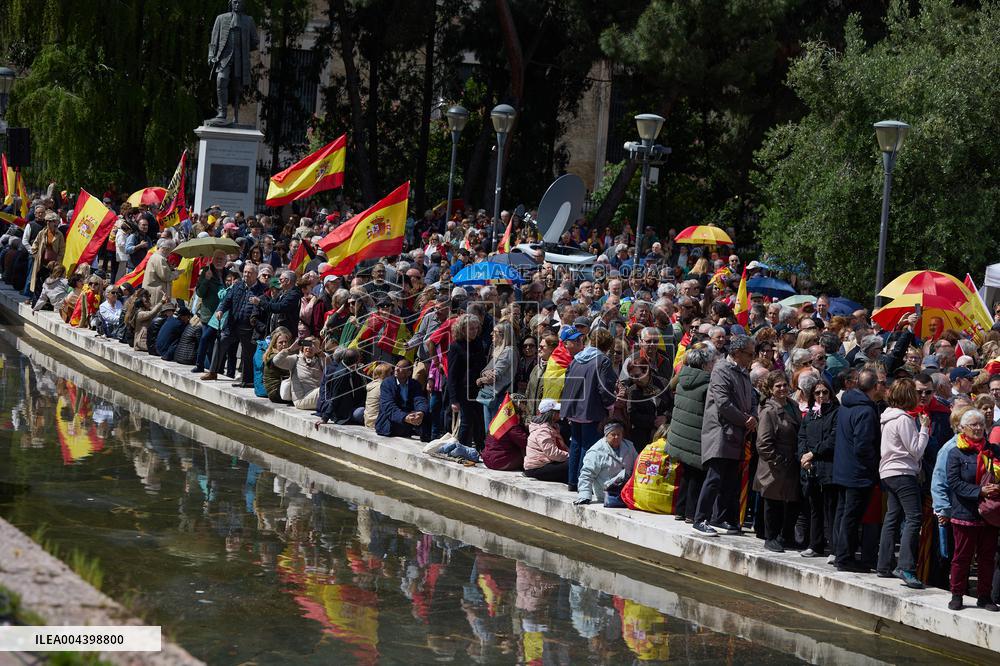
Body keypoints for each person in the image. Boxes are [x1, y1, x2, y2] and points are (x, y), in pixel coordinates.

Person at [693, 334, 758, 537]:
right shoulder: (721, 370)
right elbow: (723, 403)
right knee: (715, 477)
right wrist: (745, 420)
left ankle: (721, 518)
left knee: (730, 479)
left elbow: (752, 399)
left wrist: (753, 417)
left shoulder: (744, 372)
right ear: (736, 353)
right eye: (749, 354)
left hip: (737, 433)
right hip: (721, 432)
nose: (752, 358)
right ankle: (700, 518)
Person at [875, 377, 931, 588]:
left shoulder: (887, 418)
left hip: (888, 472)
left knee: (892, 517)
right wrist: (924, 428)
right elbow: (916, 451)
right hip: (903, 472)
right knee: (914, 517)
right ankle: (905, 566)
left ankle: (884, 564)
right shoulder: (904, 419)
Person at [944, 409, 1000, 611]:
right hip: (965, 513)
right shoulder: (955, 453)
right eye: (973, 425)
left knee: (987, 558)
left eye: (980, 424)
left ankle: (984, 596)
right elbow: (954, 483)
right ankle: (957, 594)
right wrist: (980, 491)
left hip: (990, 515)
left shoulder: (994, 451)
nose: (978, 428)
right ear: (962, 428)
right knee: (962, 557)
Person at [832, 368, 884, 572]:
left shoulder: (846, 405)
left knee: (845, 515)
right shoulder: (865, 410)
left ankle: (842, 554)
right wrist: (874, 467)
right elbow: (863, 446)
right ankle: (844, 558)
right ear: (874, 387)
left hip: (844, 470)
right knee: (851, 517)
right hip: (858, 473)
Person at [561, 327, 617, 492]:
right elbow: (604, 388)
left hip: (574, 410)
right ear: (607, 346)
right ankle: (582, 484)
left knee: (576, 445)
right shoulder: (603, 360)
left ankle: (573, 482)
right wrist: (610, 406)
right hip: (590, 411)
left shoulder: (577, 359)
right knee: (588, 446)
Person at [667, 343, 716, 523]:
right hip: (696, 435)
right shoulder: (707, 383)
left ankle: (680, 510)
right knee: (696, 474)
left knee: (686, 473)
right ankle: (690, 513)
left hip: (681, 434)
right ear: (704, 365)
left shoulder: (681, 379)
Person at [755, 370, 803, 552]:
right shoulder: (769, 411)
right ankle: (771, 537)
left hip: (792, 462)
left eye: (784, 385)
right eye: (778, 386)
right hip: (775, 465)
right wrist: (777, 460)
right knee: (773, 502)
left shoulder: (793, 405)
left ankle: (786, 536)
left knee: (791, 502)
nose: (782, 389)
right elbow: (763, 443)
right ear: (770, 389)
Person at [797, 378, 839, 558]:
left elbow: (833, 439)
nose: (821, 396)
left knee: (831, 510)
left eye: (824, 392)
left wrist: (813, 453)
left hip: (828, 468)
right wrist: (803, 457)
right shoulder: (810, 415)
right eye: (817, 393)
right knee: (814, 508)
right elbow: (802, 437)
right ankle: (815, 545)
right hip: (811, 468)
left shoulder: (836, 413)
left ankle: (835, 549)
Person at [203, 262, 264, 386]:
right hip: (232, 323)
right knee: (220, 342)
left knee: (248, 353)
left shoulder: (262, 289)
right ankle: (213, 371)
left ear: (256, 275)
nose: (246, 275)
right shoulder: (238, 285)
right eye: (245, 272)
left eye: (249, 273)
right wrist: (220, 310)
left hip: (248, 327)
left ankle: (247, 380)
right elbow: (227, 300)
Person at [448, 313, 487, 449]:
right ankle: (462, 449)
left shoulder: (479, 343)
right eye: (471, 329)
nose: (474, 331)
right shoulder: (455, 346)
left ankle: (480, 448)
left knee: (479, 421)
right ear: (462, 329)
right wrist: (453, 400)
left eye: (476, 328)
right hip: (463, 390)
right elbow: (452, 375)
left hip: (479, 389)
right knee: (466, 421)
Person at [574, 421, 637, 505]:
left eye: (619, 434)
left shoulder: (629, 446)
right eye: (613, 434)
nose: (617, 437)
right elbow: (586, 474)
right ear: (606, 435)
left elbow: (637, 465)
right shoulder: (596, 451)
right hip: (606, 495)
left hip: (627, 493)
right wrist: (584, 496)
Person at [375, 359, 430, 439]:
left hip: (409, 420)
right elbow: (388, 406)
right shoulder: (387, 383)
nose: (396, 369)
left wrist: (421, 412)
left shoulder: (415, 384)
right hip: (390, 423)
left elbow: (420, 400)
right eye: (397, 366)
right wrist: (405, 417)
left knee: (428, 416)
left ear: (409, 373)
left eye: (401, 368)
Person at [523, 399, 569, 482]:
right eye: (557, 412)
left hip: (545, 463)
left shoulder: (552, 427)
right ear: (551, 414)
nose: (560, 413)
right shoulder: (542, 430)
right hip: (537, 468)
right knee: (572, 464)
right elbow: (552, 453)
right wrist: (569, 456)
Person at [481, 393, 529, 471]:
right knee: (534, 457)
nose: (525, 408)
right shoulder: (511, 423)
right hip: (499, 461)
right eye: (523, 404)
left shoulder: (499, 418)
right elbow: (526, 442)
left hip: (488, 459)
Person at [141, 237, 181, 304]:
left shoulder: (158, 257)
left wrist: (171, 269)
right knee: (157, 311)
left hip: (156, 289)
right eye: (170, 250)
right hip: (156, 292)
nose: (170, 253)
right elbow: (165, 277)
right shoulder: (159, 259)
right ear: (165, 249)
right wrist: (177, 273)